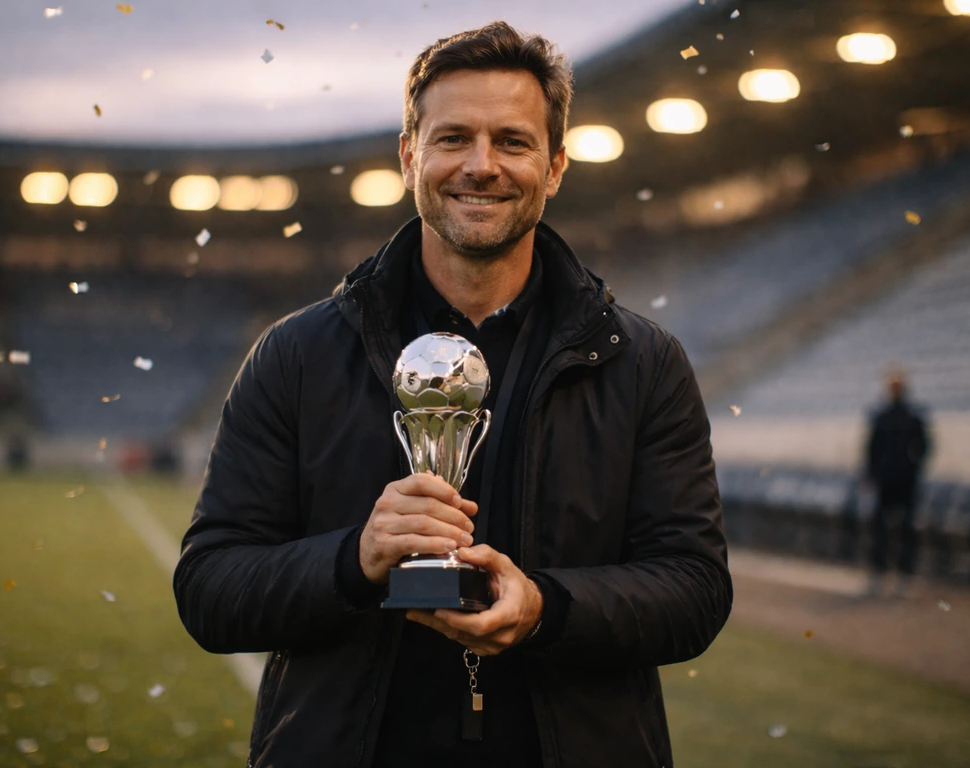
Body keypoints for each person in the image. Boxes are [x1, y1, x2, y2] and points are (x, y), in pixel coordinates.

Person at [174, 22, 732, 768]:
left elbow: (694, 590)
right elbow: (210, 588)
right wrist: (354, 558)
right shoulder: (296, 356)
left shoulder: (642, 363)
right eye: (453, 138)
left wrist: (547, 609)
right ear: (410, 155)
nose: (481, 166)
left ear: (556, 165)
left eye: (512, 141)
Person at [863, 371, 930, 596]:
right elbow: (871, 449)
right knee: (880, 527)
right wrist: (871, 475)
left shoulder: (912, 416)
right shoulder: (882, 417)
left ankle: (904, 574)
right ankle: (879, 573)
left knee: (907, 528)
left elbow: (924, 446)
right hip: (886, 480)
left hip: (906, 481)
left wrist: (912, 466)